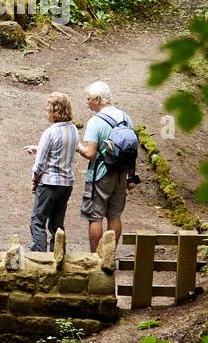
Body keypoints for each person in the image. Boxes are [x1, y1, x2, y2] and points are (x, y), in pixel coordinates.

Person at [75, 81, 135, 251]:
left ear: (97, 100)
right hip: (121, 174)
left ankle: (96, 259)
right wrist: (131, 176)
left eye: (89, 99)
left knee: (95, 216)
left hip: (100, 175)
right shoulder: (125, 117)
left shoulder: (95, 121)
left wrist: (79, 147)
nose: (87, 102)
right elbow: (131, 149)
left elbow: (90, 153)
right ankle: (109, 256)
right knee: (115, 216)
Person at [26, 92, 79, 251]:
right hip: (66, 184)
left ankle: (39, 258)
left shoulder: (50, 132)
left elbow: (39, 164)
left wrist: (35, 182)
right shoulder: (74, 130)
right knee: (57, 224)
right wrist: (39, 148)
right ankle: (58, 256)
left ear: (54, 110)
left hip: (49, 184)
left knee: (38, 221)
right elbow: (64, 150)